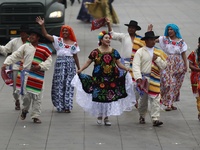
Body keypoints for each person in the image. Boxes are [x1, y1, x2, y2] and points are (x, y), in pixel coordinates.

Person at [71, 31, 136, 126]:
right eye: (106, 38)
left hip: (111, 79)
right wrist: (80, 69)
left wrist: (125, 68)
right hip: (99, 79)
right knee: (100, 97)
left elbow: (118, 63)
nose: (108, 39)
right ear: (101, 40)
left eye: (109, 38)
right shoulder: (95, 52)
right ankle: (100, 115)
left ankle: (106, 117)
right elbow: (88, 62)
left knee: (108, 98)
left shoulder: (114, 51)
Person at [1, 29, 52, 124]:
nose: (31, 37)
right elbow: (15, 55)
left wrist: (40, 66)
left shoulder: (44, 49)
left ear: (38, 38)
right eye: (31, 35)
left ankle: (35, 116)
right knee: (26, 97)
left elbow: (49, 61)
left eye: (33, 35)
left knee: (38, 97)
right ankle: (25, 109)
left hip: (38, 76)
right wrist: (6, 63)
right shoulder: (25, 47)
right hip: (26, 75)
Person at [36, 16, 81, 113]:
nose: (65, 32)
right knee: (59, 84)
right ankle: (60, 105)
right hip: (60, 65)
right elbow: (46, 35)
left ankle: (67, 106)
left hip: (70, 65)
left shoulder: (74, 44)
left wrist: (79, 69)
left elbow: (75, 57)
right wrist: (42, 26)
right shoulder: (58, 40)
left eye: (66, 31)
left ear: (70, 33)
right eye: (63, 31)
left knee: (69, 85)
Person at [106, 19, 151, 108]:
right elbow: (112, 34)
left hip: (136, 63)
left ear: (135, 29)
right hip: (125, 63)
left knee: (135, 82)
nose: (130, 29)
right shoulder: (123, 37)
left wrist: (149, 31)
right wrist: (108, 24)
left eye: (132, 28)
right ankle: (128, 99)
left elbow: (147, 43)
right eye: (129, 27)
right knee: (126, 82)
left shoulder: (140, 39)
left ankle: (135, 99)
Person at [132, 31, 167, 127]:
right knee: (143, 99)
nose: (153, 41)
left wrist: (157, 59)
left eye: (154, 39)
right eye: (151, 39)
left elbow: (164, 66)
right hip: (144, 78)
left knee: (155, 98)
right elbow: (136, 65)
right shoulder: (140, 51)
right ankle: (142, 115)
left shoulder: (159, 52)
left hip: (155, 78)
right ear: (146, 41)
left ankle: (155, 118)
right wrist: (138, 77)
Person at [156, 24, 188, 111]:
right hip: (168, 63)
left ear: (175, 31)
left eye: (171, 29)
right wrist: (149, 31)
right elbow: (151, 40)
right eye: (168, 29)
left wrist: (186, 65)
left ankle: (170, 103)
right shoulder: (165, 39)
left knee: (176, 84)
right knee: (167, 83)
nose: (170, 31)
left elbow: (183, 54)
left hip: (178, 64)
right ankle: (166, 101)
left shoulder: (181, 42)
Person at [0, 24, 29, 110]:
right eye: (21, 32)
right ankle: (17, 100)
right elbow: (5, 50)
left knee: (26, 88)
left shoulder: (31, 42)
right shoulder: (15, 41)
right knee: (16, 89)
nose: (22, 34)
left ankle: (25, 105)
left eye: (24, 32)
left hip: (27, 68)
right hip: (16, 68)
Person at [187, 37, 200, 121]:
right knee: (198, 96)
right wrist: (198, 69)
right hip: (196, 77)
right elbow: (190, 65)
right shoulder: (194, 53)